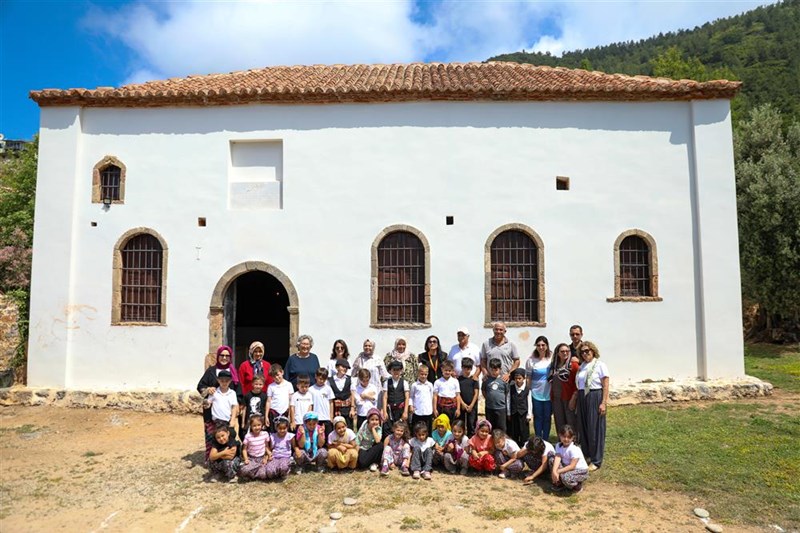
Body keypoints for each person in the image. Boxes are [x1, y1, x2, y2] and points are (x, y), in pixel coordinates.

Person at [197, 345, 241, 460]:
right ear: (218, 356)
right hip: (212, 412)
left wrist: (236, 412)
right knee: (211, 437)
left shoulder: (233, 371)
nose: (224, 358)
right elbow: (200, 386)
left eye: (227, 356)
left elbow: (237, 391)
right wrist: (208, 390)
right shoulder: (211, 371)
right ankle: (210, 459)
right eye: (222, 355)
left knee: (226, 438)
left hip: (227, 415)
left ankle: (226, 460)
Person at [571, 341, 609, 471]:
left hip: (594, 395)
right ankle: (586, 454)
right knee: (584, 427)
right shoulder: (582, 366)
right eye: (582, 352)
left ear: (593, 351)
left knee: (595, 428)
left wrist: (603, 402)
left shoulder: (600, 365)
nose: (585, 353)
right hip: (583, 397)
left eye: (587, 351)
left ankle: (596, 460)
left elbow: (605, 385)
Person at [203, 370, 240, 460]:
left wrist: (233, 421)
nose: (224, 383)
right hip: (216, 421)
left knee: (228, 440)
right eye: (222, 381)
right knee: (214, 440)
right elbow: (208, 403)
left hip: (227, 421)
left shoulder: (232, 393)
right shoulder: (214, 392)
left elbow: (234, 407)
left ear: (230, 381)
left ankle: (229, 459)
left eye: (226, 381)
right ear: (218, 380)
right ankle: (211, 459)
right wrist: (206, 403)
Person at [550, 343, 580, 444]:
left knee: (570, 421)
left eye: (567, 351)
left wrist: (574, 397)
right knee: (559, 421)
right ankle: (562, 442)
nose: (565, 353)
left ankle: (573, 442)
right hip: (557, 398)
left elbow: (578, 382)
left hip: (569, 397)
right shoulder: (554, 366)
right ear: (558, 353)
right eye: (562, 351)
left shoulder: (573, 365)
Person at [526, 335, 552, 441]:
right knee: (538, 416)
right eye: (538, 345)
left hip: (549, 393)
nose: (541, 347)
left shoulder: (552, 358)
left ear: (547, 346)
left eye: (543, 345)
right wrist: (527, 391)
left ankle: (545, 439)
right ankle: (538, 438)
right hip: (536, 393)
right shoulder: (531, 360)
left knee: (547, 417)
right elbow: (528, 377)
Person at [351, 339, 389, 406]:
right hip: (362, 391)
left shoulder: (377, 359)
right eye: (365, 346)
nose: (367, 347)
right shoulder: (360, 358)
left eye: (369, 346)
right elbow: (353, 374)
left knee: (375, 413)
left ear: (373, 347)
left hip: (375, 391)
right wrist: (356, 365)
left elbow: (385, 375)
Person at [551, 424, 588, 492]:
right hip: (567, 467)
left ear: (573, 437)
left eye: (569, 437)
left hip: (580, 471)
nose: (566, 439)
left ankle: (577, 485)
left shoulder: (574, 449)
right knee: (551, 459)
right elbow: (557, 458)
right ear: (560, 435)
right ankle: (560, 483)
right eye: (564, 436)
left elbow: (572, 466)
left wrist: (557, 471)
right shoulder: (558, 445)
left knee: (566, 478)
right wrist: (554, 471)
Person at [381, 360, 410, 436]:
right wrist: (384, 411)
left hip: (400, 410)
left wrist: (405, 412)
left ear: (401, 371)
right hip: (390, 410)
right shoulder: (386, 382)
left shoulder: (404, 382)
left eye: (398, 370)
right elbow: (385, 397)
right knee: (388, 429)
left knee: (401, 429)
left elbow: (407, 397)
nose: (396, 372)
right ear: (390, 371)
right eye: (394, 370)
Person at [239, 415, 271, 481]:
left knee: (264, 474)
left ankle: (254, 473)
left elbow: (267, 447)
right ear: (250, 426)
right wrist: (246, 459)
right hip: (251, 459)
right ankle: (257, 471)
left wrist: (267, 457)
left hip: (261, 458)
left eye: (259, 425)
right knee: (243, 470)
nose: (257, 427)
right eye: (254, 426)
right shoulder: (248, 436)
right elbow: (244, 449)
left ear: (262, 425)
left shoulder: (265, 434)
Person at [482, 359, 508, 432]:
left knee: (501, 427)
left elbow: (506, 392)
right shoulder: (486, 380)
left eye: (496, 370)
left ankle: (501, 442)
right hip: (489, 407)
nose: (494, 372)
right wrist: (488, 398)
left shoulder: (503, 380)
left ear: (500, 369)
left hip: (501, 408)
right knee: (490, 427)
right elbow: (483, 390)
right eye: (492, 370)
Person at [329, 359, 356, 430]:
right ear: (337, 367)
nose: (345, 369)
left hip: (347, 409)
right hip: (335, 409)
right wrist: (330, 414)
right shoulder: (330, 380)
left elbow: (352, 394)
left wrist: (352, 408)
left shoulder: (350, 379)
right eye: (343, 366)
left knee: (348, 429)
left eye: (346, 368)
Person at [508, 368, 532, 447]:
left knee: (523, 431)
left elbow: (529, 402)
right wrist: (508, 413)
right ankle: (515, 447)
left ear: (524, 378)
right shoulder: (511, 388)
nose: (518, 380)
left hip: (523, 414)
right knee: (514, 431)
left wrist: (529, 414)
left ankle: (524, 447)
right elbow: (508, 400)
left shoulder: (527, 389)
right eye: (516, 379)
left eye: (519, 378)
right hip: (514, 413)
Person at [265, 364, 294, 429]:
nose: (277, 378)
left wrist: (290, 414)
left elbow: (291, 400)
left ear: (282, 372)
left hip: (285, 412)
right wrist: (266, 416)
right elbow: (268, 401)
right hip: (274, 412)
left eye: (278, 375)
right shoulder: (271, 386)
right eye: (274, 376)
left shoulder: (289, 384)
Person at [240, 375, 269, 440]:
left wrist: (264, 422)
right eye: (256, 384)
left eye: (260, 384)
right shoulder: (247, 395)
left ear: (263, 385)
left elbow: (265, 409)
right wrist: (243, 422)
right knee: (248, 438)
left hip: (260, 421)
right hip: (249, 421)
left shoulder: (264, 396)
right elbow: (244, 409)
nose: (258, 386)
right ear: (252, 384)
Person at [457, 358, 480, 436]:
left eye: (469, 369)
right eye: (465, 368)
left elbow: (476, 393)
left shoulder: (474, 379)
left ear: (471, 368)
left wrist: (471, 405)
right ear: (462, 367)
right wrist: (462, 404)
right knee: (461, 424)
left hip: (472, 406)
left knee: (472, 424)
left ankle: (472, 441)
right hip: (461, 405)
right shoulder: (458, 380)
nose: (467, 371)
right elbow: (457, 393)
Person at [409, 364, 434, 435]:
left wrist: (433, 409)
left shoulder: (430, 385)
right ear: (418, 374)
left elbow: (432, 397)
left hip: (428, 411)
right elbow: (411, 396)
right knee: (416, 429)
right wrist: (411, 405)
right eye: (422, 374)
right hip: (417, 411)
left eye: (425, 374)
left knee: (427, 430)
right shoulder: (414, 385)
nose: (423, 376)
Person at [310, 368, 335, 436]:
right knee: (316, 437)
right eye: (320, 378)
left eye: (324, 379)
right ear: (316, 376)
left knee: (328, 437)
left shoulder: (328, 388)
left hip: (326, 417)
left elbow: (331, 402)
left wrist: (331, 416)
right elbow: (310, 404)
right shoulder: (311, 389)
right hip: (316, 418)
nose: (321, 381)